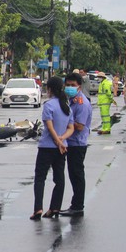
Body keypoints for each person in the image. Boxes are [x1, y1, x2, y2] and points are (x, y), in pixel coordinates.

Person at [31, 76, 74, 221]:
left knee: (40, 178)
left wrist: (57, 140)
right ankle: (55, 207)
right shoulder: (66, 106)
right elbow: (71, 128)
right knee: (59, 178)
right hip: (61, 149)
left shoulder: (49, 105)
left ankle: (38, 208)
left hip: (47, 147)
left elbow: (49, 127)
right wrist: (62, 140)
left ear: (49, 89)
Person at [61, 73, 92, 217]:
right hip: (71, 142)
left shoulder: (81, 103)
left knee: (77, 175)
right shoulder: (71, 100)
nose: (69, 88)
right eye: (67, 85)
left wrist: (62, 125)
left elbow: (79, 126)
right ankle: (75, 204)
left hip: (77, 143)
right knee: (73, 175)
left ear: (79, 86)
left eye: (73, 85)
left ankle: (78, 206)